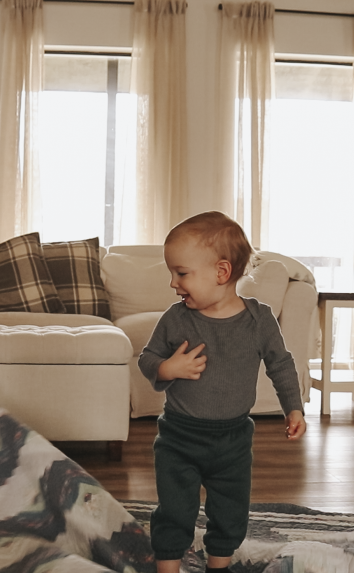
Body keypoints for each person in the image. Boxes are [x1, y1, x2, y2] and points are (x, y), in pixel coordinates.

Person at [138, 211, 307, 573]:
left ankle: (219, 565)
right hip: (178, 438)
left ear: (222, 272)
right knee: (174, 510)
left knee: (230, 511)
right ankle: (167, 568)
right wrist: (167, 368)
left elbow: (281, 363)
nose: (173, 283)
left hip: (232, 440)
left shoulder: (259, 320)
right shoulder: (176, 318)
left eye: (181, 273)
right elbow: (148, 358)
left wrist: (293, 407)